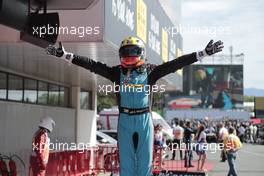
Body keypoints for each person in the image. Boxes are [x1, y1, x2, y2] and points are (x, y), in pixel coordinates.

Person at [46, 37, 223, 176]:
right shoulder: (116, 72)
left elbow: (175, 64)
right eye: (126, 52)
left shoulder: (150, 71)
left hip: (144, 120)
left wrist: (202, 53)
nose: (129, 55)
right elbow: (93, 65)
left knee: (145, 163)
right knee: (127, 164)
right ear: (120, 54)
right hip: (125, 121)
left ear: (141, 53)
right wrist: (66, 55)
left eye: (133, 51)